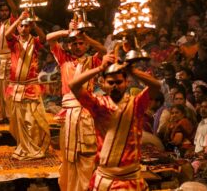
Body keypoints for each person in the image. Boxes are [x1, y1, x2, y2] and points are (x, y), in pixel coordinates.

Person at [69, 54, 161, 191]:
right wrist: (100, 68)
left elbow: (156, 86)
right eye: (110, 82)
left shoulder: (136, 103)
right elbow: (73, 85)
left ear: (126, 83)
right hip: (104, 179)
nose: (115, 86)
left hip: (131, 180)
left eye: (118, 82)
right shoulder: (98, 104)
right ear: (103, 84)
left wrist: (132, 71)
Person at [46, 21, 106, 191]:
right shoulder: (63, 58)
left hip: (86, 113)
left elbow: (104, 51)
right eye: (74, 43)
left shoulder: (92, 61)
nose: (78, 46)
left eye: (81, 43)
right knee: (68, 155)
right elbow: (49, 38)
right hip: (68, 113)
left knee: (87, 154)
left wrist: (85, 36)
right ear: (69, 45)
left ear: (86, 45)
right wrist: (69, 31)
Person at [5, 10, 50, 160]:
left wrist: (34, 24)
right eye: (21, 26)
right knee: (18, 121)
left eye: (26, 26)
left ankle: (33, 148)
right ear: (17, 27)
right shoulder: (14, 41)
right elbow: (6, 34)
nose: (23, 29)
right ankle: (23, 147)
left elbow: (44, 38)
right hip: (16, 87)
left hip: (31, 86)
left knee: (31, 120)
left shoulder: (34, 42)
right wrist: (19, 19)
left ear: (30, 28)